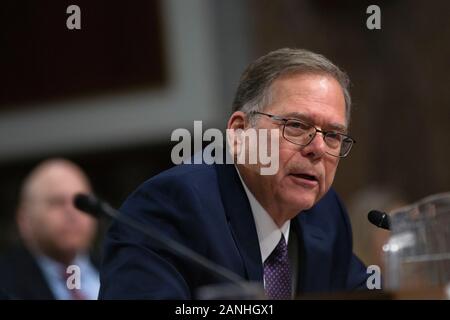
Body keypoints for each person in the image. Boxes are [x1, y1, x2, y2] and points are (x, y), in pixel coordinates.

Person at [99, 48, 369, 299]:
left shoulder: (326, 215)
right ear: (240, 132)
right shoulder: (172, 208)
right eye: (297, 125)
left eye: (333, 135)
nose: (318, 148)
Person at [0, 159, 100, 299]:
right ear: (24, 219)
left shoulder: (121, 269)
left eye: (80, 203)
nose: (72, 213)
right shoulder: (5, 284)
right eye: (57, 203)